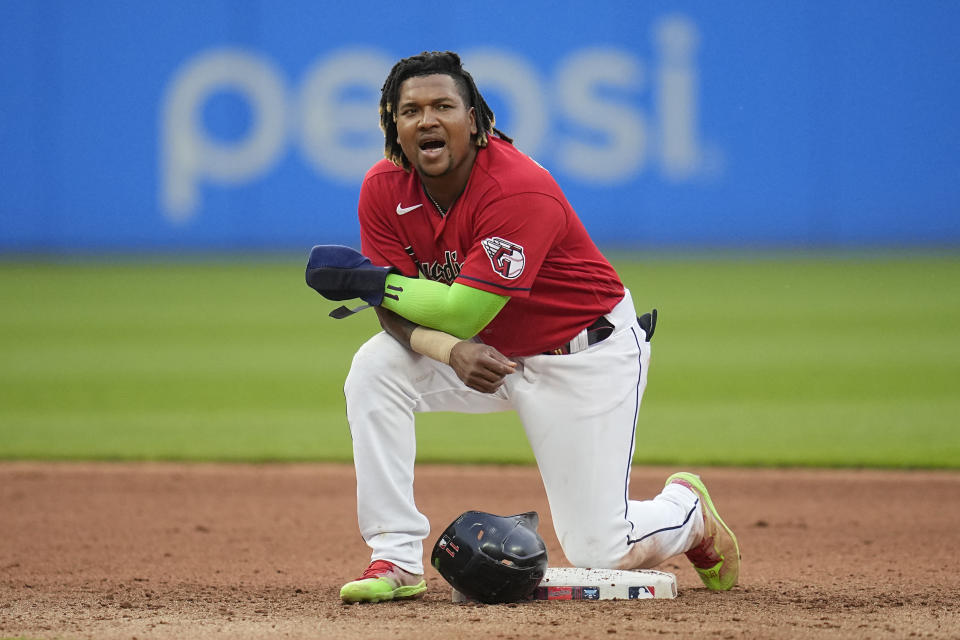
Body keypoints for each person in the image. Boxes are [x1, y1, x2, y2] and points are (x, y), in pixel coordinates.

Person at [313, 51, 740, 604]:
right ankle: (394, 557)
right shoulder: (383, 189)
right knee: (374, 369)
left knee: (600, 550)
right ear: (393, 125)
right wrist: (445, 349)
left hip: (583, 354)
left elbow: (464, 312)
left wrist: (371, 282)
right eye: (410, 110)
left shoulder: (517, 187)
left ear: (475, 119)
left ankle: (687, 512)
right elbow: (394, 314)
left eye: (444, 105)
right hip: (488, 356)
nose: (427, 120)